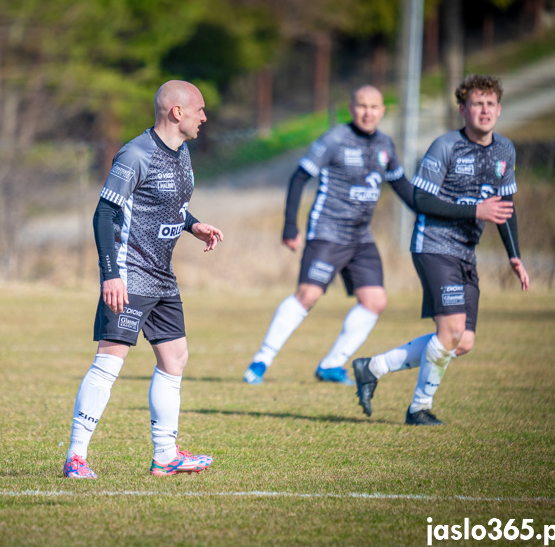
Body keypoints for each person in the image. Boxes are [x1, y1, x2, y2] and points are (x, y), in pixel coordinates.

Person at [63, 80, 223, 479]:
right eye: (199, 110)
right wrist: (110, 275)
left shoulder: (182, 152)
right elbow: (105, 215)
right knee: (109, 362)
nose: (205, 117)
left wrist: (194, 225)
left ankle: (166, 456)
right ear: (177, 112)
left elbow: (164, 202)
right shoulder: (135, 154)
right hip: (129, 273)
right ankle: (76, 457)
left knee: (175, 357)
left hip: (162, 276)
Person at [352, 74, 530, 425]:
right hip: (433, 246)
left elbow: (505, 206)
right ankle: (419, 408)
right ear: (463, 109)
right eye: (476, 104)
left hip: (466, 252)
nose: (484, 110)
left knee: (462, 342)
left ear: (499, 109)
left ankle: (373, 367)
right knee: (450, 331)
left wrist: (514, 255)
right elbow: (420, 199)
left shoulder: (505, 151)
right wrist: (476, 210)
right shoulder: (446, 146)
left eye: (490, 104)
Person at [243, 86, 414, 386]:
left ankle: (332, 365)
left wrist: (436, 211)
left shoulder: (386, 144)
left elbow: (403, 187)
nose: (368, 112)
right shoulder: (335, 139)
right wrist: (289, 227)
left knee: (375, 300)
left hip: (361, 237)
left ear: (382, 111)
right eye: (362, 106)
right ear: (351, 108)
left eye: (374, 107)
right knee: (308, 295)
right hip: (327, 232)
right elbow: (299, 177)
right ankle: (260, 362)